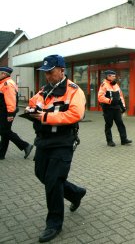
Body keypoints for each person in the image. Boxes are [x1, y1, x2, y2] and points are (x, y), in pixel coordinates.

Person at [26, 55, 87, 243]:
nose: (47, 76)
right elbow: (32, 102)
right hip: (44, 141)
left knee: (53, 181)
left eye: (50, 72)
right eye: (45, 73)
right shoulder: (44, 89)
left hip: (63, 141)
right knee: (41, 174)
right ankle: (76, 193)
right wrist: (31, 111)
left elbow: (75, 114)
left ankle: (54, 224)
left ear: (62, 70)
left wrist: (44, 116)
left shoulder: (74, 91)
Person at [0, 66, 33, 160]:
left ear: (3, 74)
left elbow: (10, 100)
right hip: (5, 111)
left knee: (4, 131)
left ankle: (25, 146)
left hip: (6, 112)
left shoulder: (7, 84)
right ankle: (1, 154)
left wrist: (10, 114)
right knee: (5, 132)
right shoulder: (4, 83)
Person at [98, 70, 132, 147]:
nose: (115, 77)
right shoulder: (104, 85)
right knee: (109, 125)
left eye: (114, 76)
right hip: (108, 108)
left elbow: (121, 96)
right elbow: (100, 97)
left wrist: (123, 106)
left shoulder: (116, 85)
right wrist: (110, 101)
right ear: (108, 76)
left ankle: (124, 140)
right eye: (113, 76)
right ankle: (109, 141)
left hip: (116, 108)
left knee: (120, 124)